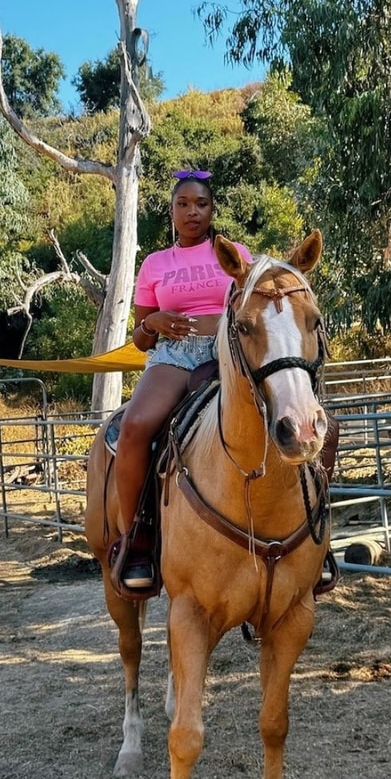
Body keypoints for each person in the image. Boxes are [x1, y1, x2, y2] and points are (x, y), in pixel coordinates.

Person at [111, 170, 253, 591]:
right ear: (171, 211)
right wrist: (152, 320)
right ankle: (136, 536)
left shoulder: (235, 252)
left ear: (212, 210)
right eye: (184, 204)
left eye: (202, 204)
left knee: (288, 415)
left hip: (230, 350)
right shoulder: (155, 264)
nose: (193, 212)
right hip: (174, 355)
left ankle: (313, 535)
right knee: (135, 426)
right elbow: (139, 339)